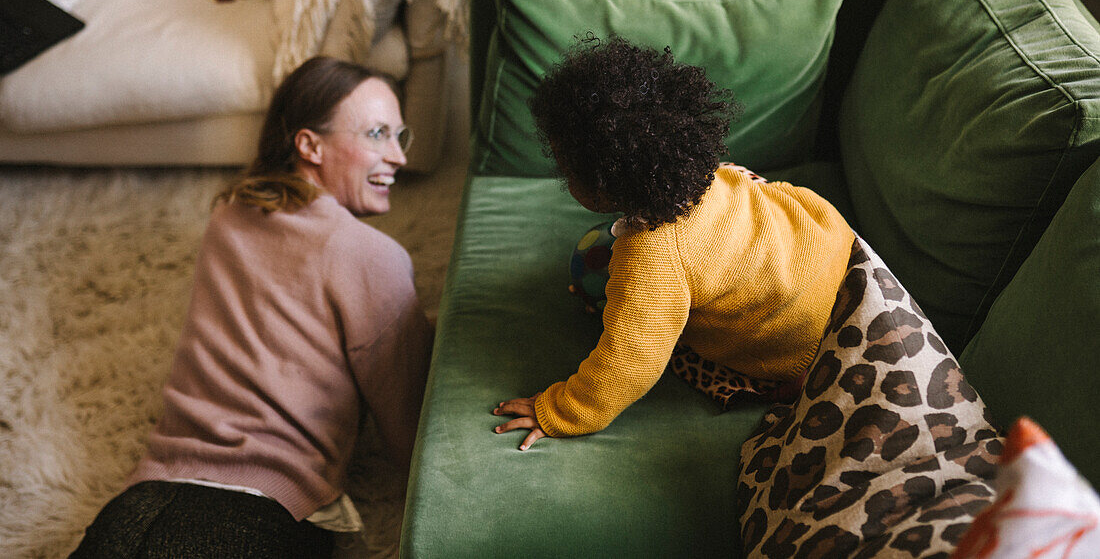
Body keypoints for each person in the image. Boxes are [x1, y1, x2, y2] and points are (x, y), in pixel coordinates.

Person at [71, 57, 433, 557]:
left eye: (400, 136)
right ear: (309, 145)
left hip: (138, 505)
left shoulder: (230, 213)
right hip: (255, 513)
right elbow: (413, 431)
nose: (398, 156)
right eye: (376, 134)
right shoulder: (373, 257)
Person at [492, 36, 855, 450]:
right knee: (774, 198)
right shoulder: (718, 174)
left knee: (672, 346)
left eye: (566, 169)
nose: (561, 177)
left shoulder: (652, 258)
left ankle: (788, 379)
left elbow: (628, 362)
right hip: (832, 254)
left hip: (796, 343)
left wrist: (558, 410)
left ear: (602, 184)